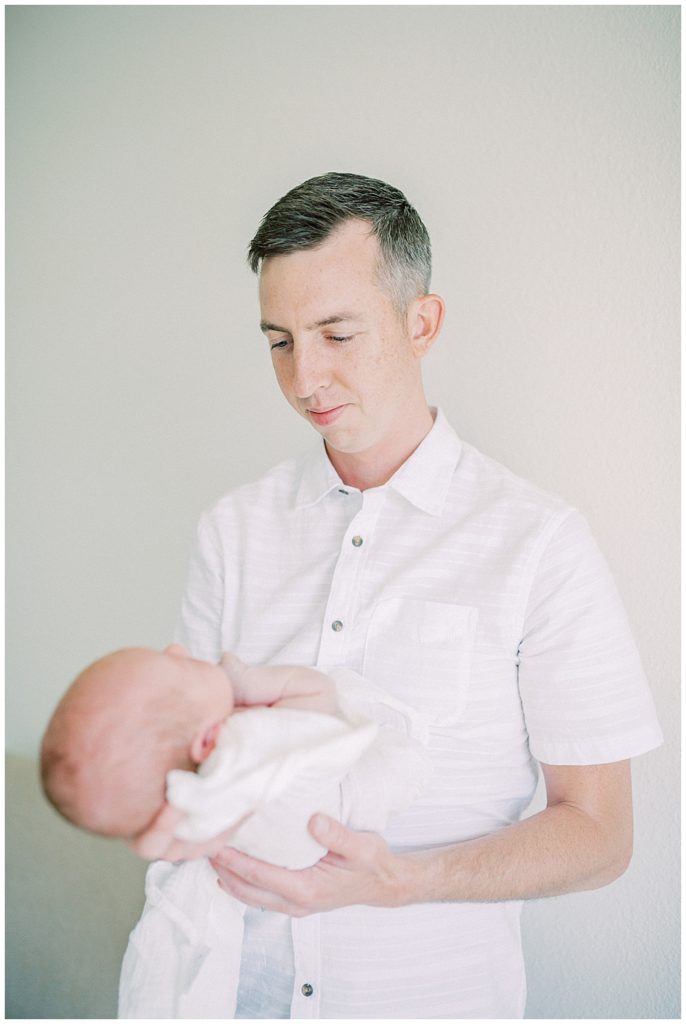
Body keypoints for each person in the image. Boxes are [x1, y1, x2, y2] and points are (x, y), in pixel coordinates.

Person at [133, 172, 663, 1019]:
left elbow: (601, 836)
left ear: (422, 324)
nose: (305, 378)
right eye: (279, 340)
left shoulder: (539, 543)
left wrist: (407, 882)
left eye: (337, 334)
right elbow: (183, 768)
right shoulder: (231, 531)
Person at [40, 644, 428, 1017]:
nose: (178, 647)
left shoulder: (195, 810)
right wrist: (248, 681)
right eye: (184, 666)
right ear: (208, 742)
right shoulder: (252, 740)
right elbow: (318, 690)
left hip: (285, 857)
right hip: (353, 802)